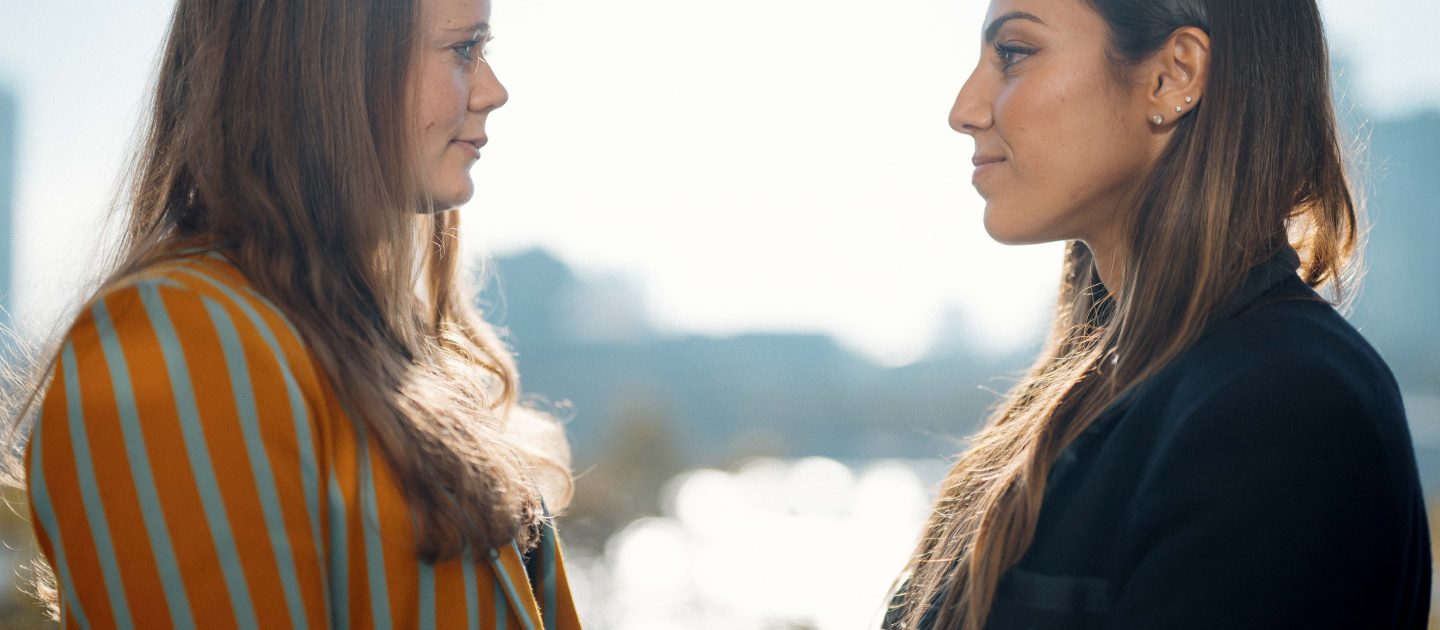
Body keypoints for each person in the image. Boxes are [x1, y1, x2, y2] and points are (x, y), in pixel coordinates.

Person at [3, 0, 582, 627]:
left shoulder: (387, 348)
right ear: (330, 66)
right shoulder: (180, 342)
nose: (494, 90)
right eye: (464, 48)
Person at [884, 0, 1431, 628]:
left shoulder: (1284, 407)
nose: (965, 110)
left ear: (1174, 76)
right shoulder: (1100, 390)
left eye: (1013, 52)